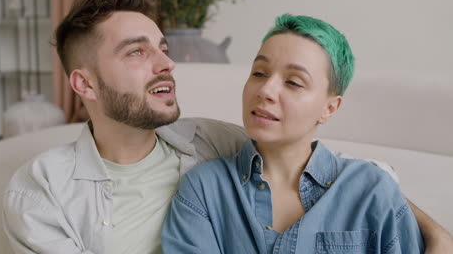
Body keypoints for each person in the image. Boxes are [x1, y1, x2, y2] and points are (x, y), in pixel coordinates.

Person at [1, 0, 451, 253]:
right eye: (138, 52)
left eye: (163, 48)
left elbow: (318, 166)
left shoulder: (209, 141)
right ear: (85, 85)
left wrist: (438, 237)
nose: (165, 64)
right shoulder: (41, 194)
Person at [161, 14, 425, 253]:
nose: (265, 90)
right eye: (259, 73)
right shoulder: (204, 189)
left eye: (293, 82)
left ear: (329, 107)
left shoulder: (372, 190)